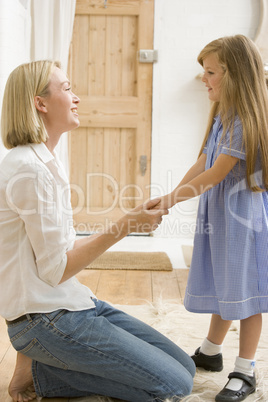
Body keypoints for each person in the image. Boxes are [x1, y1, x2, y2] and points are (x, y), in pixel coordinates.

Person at [0, 60, 196, 402]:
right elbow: (56, 269)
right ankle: (41, 373)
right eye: (67, 88)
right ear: (40, 103)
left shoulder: (45, 161)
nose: (76, 98)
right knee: (173, 386)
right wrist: (126, 227)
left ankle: (39, 370)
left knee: (185, 369)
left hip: (72, 304)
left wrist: (127, 221)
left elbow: (61, 249)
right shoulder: (28, 170)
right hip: (46, 320)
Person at [156, 35, 268, 401]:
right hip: (221, 220)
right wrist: (168, 198)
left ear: (234, 75)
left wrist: (172, 200)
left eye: (210, 72)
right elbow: (202, 162)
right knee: (225, 285)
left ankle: (245, 370)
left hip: (242, 224)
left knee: (246, 295)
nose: (204, 79)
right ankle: (210, 351)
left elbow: (217, 173)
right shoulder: (223, 116)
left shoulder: (244, 121)